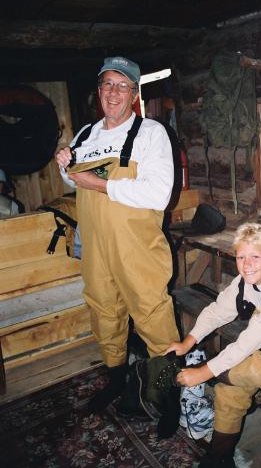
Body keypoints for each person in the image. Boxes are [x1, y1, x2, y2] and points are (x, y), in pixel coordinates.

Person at [55, 56, 180, 414]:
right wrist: (66, 167)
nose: (114, 92)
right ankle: (116, 381)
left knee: (155, 320)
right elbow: (74, 181)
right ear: (99, 90)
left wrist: (101, 183)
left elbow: (159, 194)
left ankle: (165, 396)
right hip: (96, 247)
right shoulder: (85, 135)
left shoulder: (152, 134)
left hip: (137, 250)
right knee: (104, 312)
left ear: (134, 93)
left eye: (122, 85)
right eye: (107, 83)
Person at [167, 222, 261, 467]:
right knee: (230, 389)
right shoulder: (244, 281)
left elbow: (248, 341)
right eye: (241, 257)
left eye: (255, 257)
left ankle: (219, 372)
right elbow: (217, 312)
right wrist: (187, 342)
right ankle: (219, 457)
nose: (246, 265)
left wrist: (205, 372)